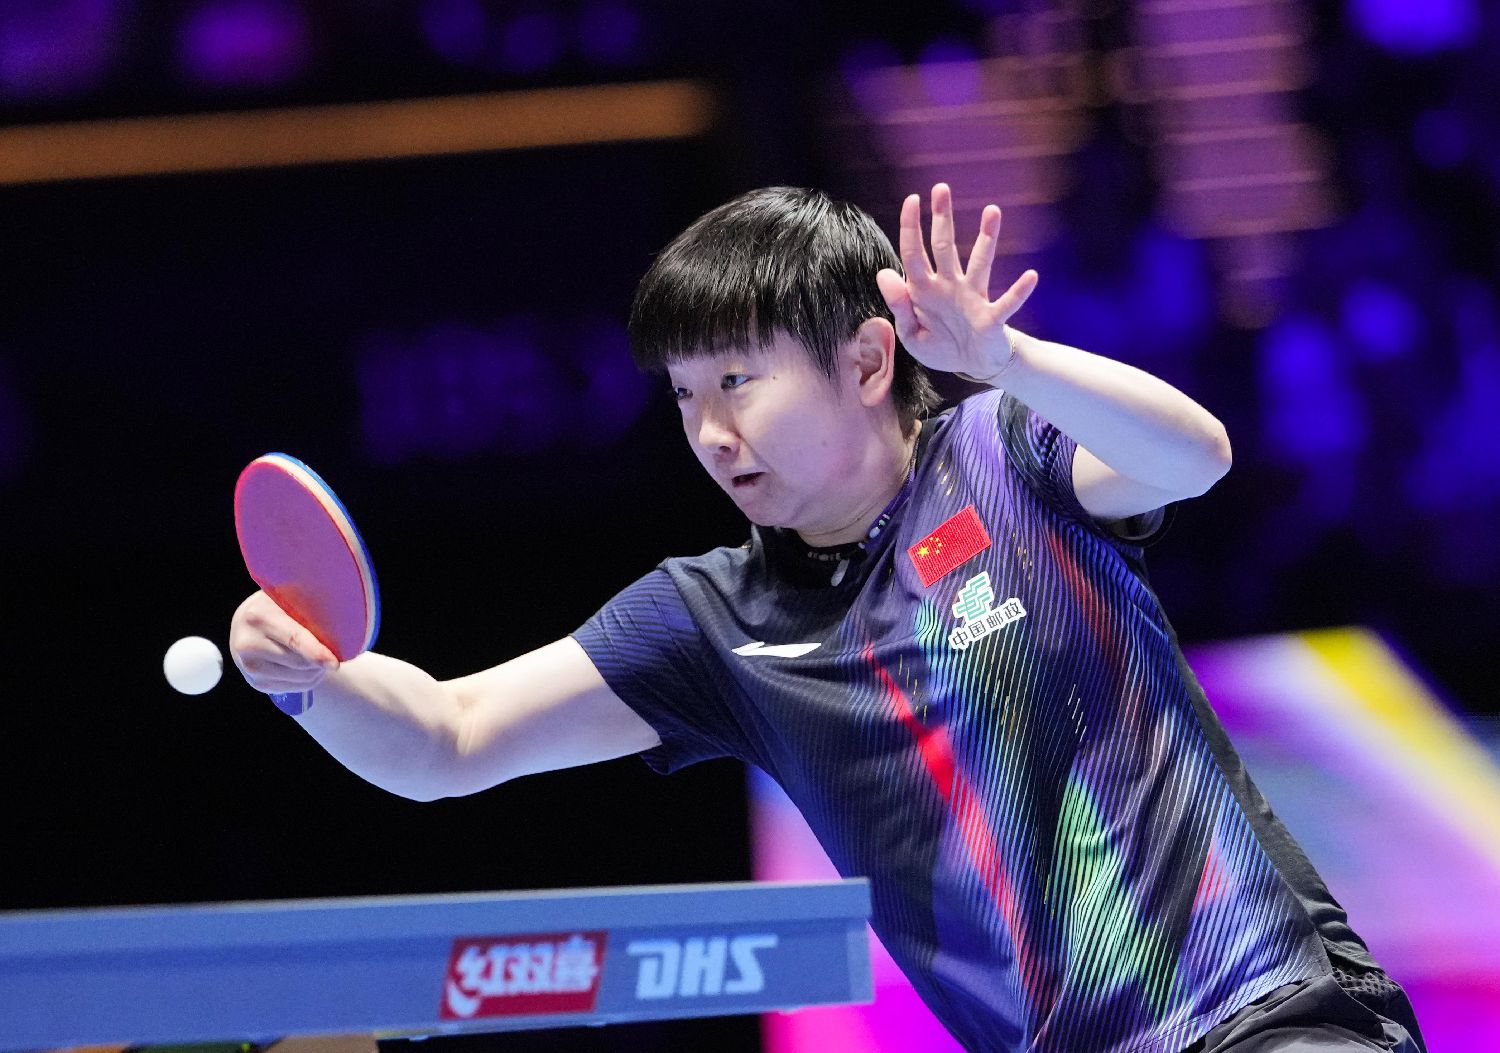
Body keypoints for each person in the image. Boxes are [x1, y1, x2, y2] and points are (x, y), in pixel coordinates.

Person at [230, 184, 1426, 1053]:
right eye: (684, 396)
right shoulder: (715, 619)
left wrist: (1010, 359)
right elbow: (444, 741)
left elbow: (1195, 457)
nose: (710, 434)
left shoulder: (1002, 456)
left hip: (1267, 1012)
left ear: (865, 362)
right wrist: (310, 678)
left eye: (738, 381)